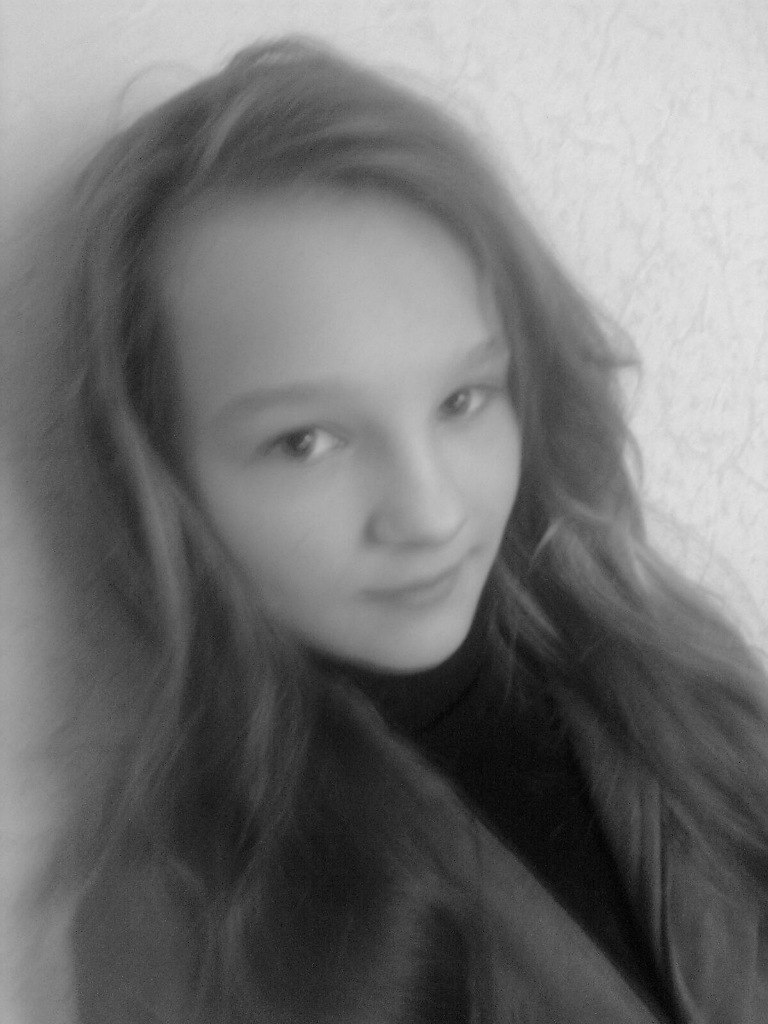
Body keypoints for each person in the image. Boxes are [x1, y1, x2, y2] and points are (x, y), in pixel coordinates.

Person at [19, 34, 768, 1024]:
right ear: (167, 477)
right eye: (306, 441)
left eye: (464, 398)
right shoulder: (186, 920)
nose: (432, 513)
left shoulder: (676, 682)